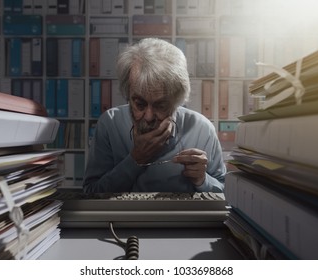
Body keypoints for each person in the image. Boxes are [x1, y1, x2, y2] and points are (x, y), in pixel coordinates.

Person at [83, 38, 226, 193]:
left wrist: (202, 180)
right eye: (140, 104)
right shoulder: (110, 124)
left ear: (176, 101)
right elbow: (91, 193)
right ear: (128, 94)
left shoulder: (202, 129)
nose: (149, 116)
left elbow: (223, 192)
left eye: (160, 105)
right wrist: (135, 159)